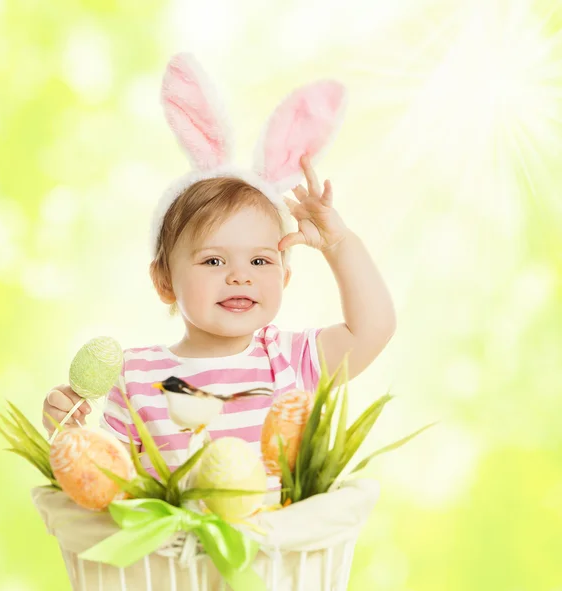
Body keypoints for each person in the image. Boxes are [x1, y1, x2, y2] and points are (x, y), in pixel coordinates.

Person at [41, 53, 396, 487]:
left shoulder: (288, 361)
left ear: (284, 277)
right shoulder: (136, 377)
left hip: (278, 553)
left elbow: (373, 327)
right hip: (175, 556)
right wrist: (70, 431)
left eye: (260, 260)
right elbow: (107, 481)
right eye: (213, 260)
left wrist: (339, 244)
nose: (239, 275)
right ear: (164, 281)